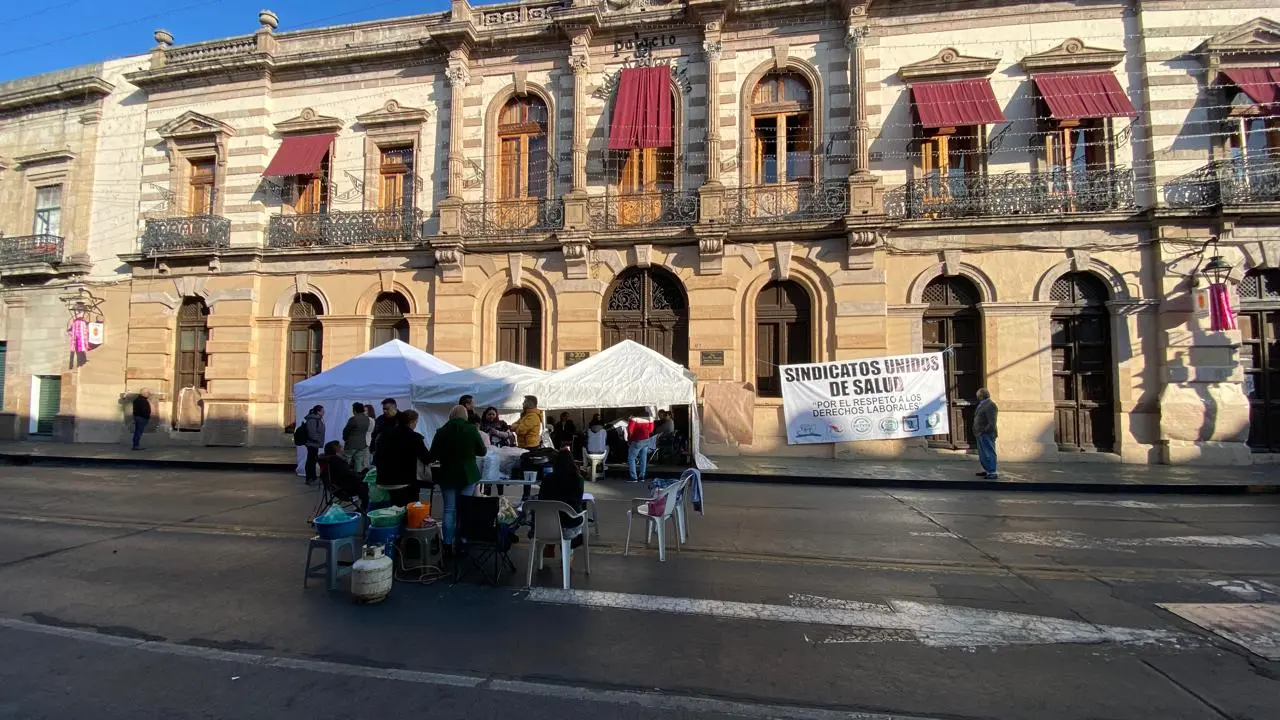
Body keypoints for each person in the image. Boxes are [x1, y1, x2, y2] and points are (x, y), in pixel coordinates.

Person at [430, 404, 486, 552]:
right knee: (464, 509)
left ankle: (447, 544)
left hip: (447, 474)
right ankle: (462, 542)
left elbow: (432, 455)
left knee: (449, 509)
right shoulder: (471, 429)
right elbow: (482, 451)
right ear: (465, 416)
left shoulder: (441, 431)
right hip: (468, 474)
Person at [373, 409, 432, 506]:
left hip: (382, 480)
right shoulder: (414, 437)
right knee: (409, 511)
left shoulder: (384, 435)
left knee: (390, 511)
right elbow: (426, 458)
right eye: (416, 422)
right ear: (412, 422)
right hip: (404, 482)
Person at [536, 448, 586, 544]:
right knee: (581, 511)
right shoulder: (578, 479)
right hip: (569, 525)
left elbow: (541, 499)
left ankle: (549, 546)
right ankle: (569, 552)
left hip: (547, 526)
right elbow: (578, 501)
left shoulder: (548, 478)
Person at [322, 440, 369, 512]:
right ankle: (364, 508)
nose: (342, 448)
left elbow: (346, 474)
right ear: (336, 449)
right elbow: (347, 475)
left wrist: (359, 474)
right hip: (344, 488)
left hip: (338, 486)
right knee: (366, 484)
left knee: (364, 479)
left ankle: (363, 507)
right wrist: (361, 475)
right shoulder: (335, 460)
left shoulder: (327, 460)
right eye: (340, 447)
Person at [973, 387, 999, 479]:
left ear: (981, 396)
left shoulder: (990, 405)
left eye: (978, 396)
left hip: (986, 433)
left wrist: (983, 431)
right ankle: (987, 470)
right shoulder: (982, 404)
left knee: (989, 452)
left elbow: (992, 423)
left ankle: (992, 472)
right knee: (983, 452)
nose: (978, 397)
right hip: (980, 433)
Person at [624, 411, 656, 484]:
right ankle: (642, 476)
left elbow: (630, 430)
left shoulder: (634, 419)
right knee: (643, 458)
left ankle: (633, 477)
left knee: (631, 458)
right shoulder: (649, 419)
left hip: (637, 440)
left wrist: (629, 440)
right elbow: (651, 430)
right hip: (646, 439)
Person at [342, 402, 373, 473]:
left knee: (346, 461)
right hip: (362, 444)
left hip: (351, 444)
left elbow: (346, 430)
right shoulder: (367, 419)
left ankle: (345, 476)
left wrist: (345, 438)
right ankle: (358, 478)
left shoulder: (353, 419)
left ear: (355, 410)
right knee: (359, 463)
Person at [302, 405, 326, 486]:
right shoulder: (313, 420)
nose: (324, 412)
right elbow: (312, 433)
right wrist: (318, 440)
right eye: (322, 411)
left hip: (315, 444)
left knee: (313, 460)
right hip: (312, 444)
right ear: (318, 411)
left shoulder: (317, 419)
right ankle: (309, 478)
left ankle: (313, 477)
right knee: (310, 461)